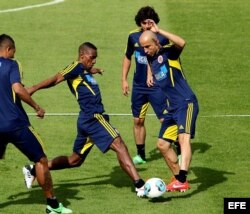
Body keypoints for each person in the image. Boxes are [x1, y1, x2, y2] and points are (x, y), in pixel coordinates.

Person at [22, 42, 146, 197]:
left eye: (96, 58)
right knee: (119, 145)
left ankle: (34, 169)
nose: (94, 61)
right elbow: (56, 78)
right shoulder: (75, 66)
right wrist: (33, 88)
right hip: (93, 118)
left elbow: (85, 71)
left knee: (75, 160)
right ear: (82, 56)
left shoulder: (84, 69)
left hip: (86, 121)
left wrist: (95, 70)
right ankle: (140, 185)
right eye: (92, 58)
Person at [0, 34, 72, 214]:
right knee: (40, 160)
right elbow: (18, 89)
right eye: (13, 52)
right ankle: (53, 205)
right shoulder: (12, 64)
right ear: (9, 49)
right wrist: (36, 107)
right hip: (15, 124)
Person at [139, 23, 199, 192]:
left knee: (183, 138)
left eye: (147, 46)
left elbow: (182, 42)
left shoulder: (169, 54)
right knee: (162, 145)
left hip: (186, 103)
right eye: (142, 47)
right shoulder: (151, 58)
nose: (145, 51)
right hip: (171, 107)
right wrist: (150, 75)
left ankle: (181, 178)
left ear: (156, 42)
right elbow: (151, 63)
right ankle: (178, 180)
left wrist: (159, 31)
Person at [122, 6, 177, 165]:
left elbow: (174, 49)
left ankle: (178, 147)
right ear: (140, 22)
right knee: (138, 121)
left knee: (164, 120)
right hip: (139, 86)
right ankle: (140, 155)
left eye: (150, 22)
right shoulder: (133, 36)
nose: (147, 25)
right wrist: (124, 80)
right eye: (144, 22)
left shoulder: (161, 38)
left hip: (157, 86)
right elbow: (127, 57)